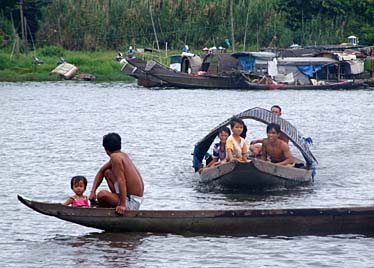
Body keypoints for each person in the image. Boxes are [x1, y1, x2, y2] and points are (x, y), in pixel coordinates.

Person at [89, 133, 144, 215]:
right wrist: (93, 191)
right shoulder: (121, 155)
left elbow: (121, 181)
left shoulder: (115, 157)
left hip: (131, 202)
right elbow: (101, 171)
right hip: (131, 198)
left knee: (102, 195)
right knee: (107, 172)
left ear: (106, 149)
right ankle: (111, 204)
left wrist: (122, 205)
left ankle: (106, 208)